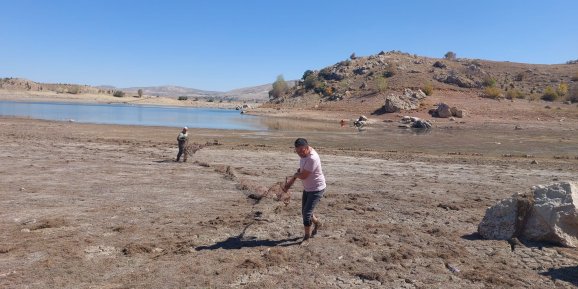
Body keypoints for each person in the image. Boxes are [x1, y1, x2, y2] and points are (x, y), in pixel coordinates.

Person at [285, 138, 326, 245]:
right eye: (297, 151)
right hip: (308, 188)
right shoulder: (304, 154)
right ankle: (318, 223)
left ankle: (307, 237)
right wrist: (300, 170)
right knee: (305, 212)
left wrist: (295, 175)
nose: (299, 154)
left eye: (301, 151)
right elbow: (303, 170)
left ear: (307, 148)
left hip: (317, 188)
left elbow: (303, 176)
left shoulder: (312, 158)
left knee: (306, 214)